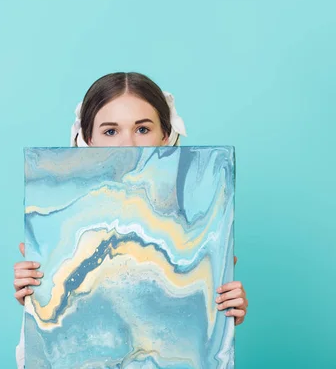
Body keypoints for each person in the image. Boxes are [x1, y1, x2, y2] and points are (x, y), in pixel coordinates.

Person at [13, 72, 249, 368]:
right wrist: (38, 300)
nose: (127, 143)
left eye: (142, 129)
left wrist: (222, 314)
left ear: (165, 134)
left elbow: (191, 343)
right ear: (88, 138)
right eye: (110, 131)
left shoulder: (203, 215)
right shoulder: (57, 217)